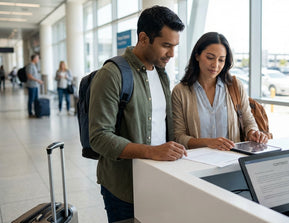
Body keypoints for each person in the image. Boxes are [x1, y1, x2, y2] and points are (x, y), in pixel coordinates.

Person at [89, 5, 186, 223]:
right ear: (143, 38)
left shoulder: (162, 75)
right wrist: (152, 152)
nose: (171, 54)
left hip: (159, 181)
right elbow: (99, 137)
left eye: (175, 46)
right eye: (166, 45)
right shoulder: (111, 75)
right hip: (124, 188)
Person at [172, 32, 269, 150]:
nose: (215, 65)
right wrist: (208, 142)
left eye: (221, 60)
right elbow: (178, 136)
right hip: (197, 162)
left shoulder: (235, 86)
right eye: (210, 58)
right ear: (197, 56)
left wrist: (253, 133)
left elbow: (248, 121)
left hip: (232, 160)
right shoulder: (180, 92)